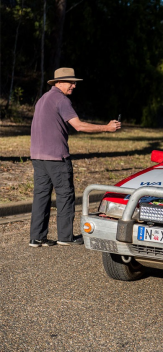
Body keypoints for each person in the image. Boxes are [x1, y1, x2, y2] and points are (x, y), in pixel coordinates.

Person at [29, 67, 121, 247]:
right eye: (71, 82)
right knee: (65, 195)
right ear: (59, 83)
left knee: (41, 196)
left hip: (38, 156)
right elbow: (79, 126)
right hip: (56, 157)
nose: (74, 86)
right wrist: (107, 128)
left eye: (74, 82)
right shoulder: (61, 100)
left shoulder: (43, 99)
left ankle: (37, 237)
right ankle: (65, 237)